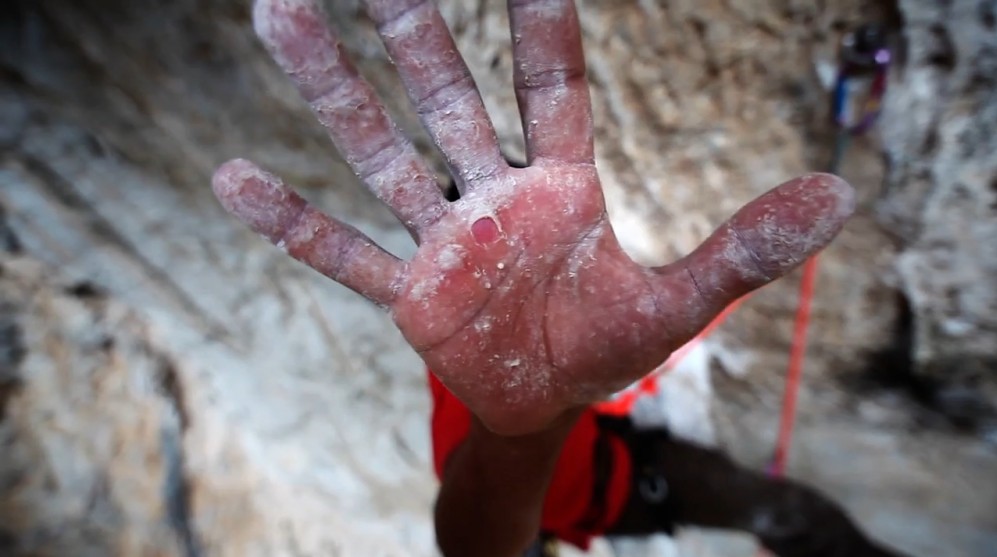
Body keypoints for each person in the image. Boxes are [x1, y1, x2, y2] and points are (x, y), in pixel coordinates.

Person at [209, 1, 895, 556]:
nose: (506, 247)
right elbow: (471, 543)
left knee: (796, 515)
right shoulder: (470, 377)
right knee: (795, 515)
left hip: (630, 466)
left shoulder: (521, 341)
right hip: (617, 490)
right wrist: (521, 436)